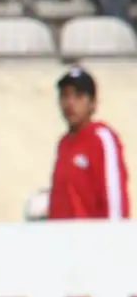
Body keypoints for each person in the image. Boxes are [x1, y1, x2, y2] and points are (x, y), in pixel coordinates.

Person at [41, 65, 130, 219]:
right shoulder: (64, 144)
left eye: (79, 96)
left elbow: (115, 199)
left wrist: (114, 238)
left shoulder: (101, 138)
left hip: (92, 239)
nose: (70, 103)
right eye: (65, 95)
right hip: (63, 238)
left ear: (93, 103)